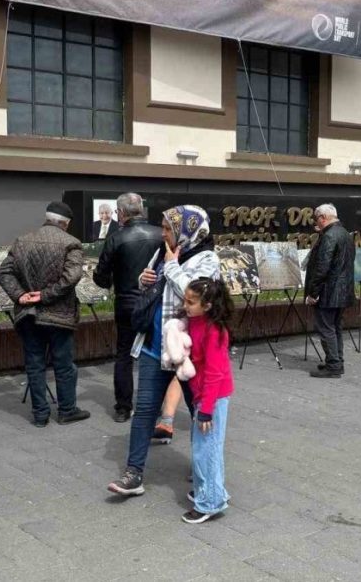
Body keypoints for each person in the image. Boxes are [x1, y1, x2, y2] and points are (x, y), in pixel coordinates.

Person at [108, 205, 219, 497]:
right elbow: (155, 290)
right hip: (152, 347)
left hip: (187, 353)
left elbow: (194, 294)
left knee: (200, 413)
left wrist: (170, 267)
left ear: (188, 230)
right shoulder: (163, 250)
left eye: (168, 228)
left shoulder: (207, 259)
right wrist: (145, 280)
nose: (163, 232)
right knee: (144, 411)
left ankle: (203, 472)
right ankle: (134, 474)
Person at [0, 202, 90, 427]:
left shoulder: (22, 241)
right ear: (66, 224)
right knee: (64, 365)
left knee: (35, 365)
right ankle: (67, 410)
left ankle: (40, 414)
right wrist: (45, 295)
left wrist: (21, 295)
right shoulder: (71, 243)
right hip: (59, 315)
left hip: (28, 314)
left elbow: (3, 272)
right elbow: (71, 278)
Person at [94, 193, 164, 422]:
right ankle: (157, 404)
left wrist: (112, 281)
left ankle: (123, 407)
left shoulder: (115, 238)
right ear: (141, 210)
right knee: (157, 352)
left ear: (121, 213)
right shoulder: (160, 234)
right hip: (155, 302)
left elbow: (101, 276)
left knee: (124, 354)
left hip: (126, 303)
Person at [179, 278, 235, 524]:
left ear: (208, 305)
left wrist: (206, 410)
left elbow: (215, 372)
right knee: (204, 447)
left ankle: (210, 501)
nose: (186, 305)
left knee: (206, 450)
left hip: (212, 395)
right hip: (203, 394)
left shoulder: (215, 331)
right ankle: (210, 490)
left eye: (191, 302)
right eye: (185, 300)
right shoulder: (195, 321)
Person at [304, 203, 356, 379]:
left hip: (328, 291)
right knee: (335, 328)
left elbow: (322, 267)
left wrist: (313, 292)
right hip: (342, 291)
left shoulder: (329, 236)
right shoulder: (345, 234)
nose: (316, 222)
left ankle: (333, 365)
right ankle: (336, 361)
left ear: (322, 218)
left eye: (316, 218)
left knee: (326, 328)